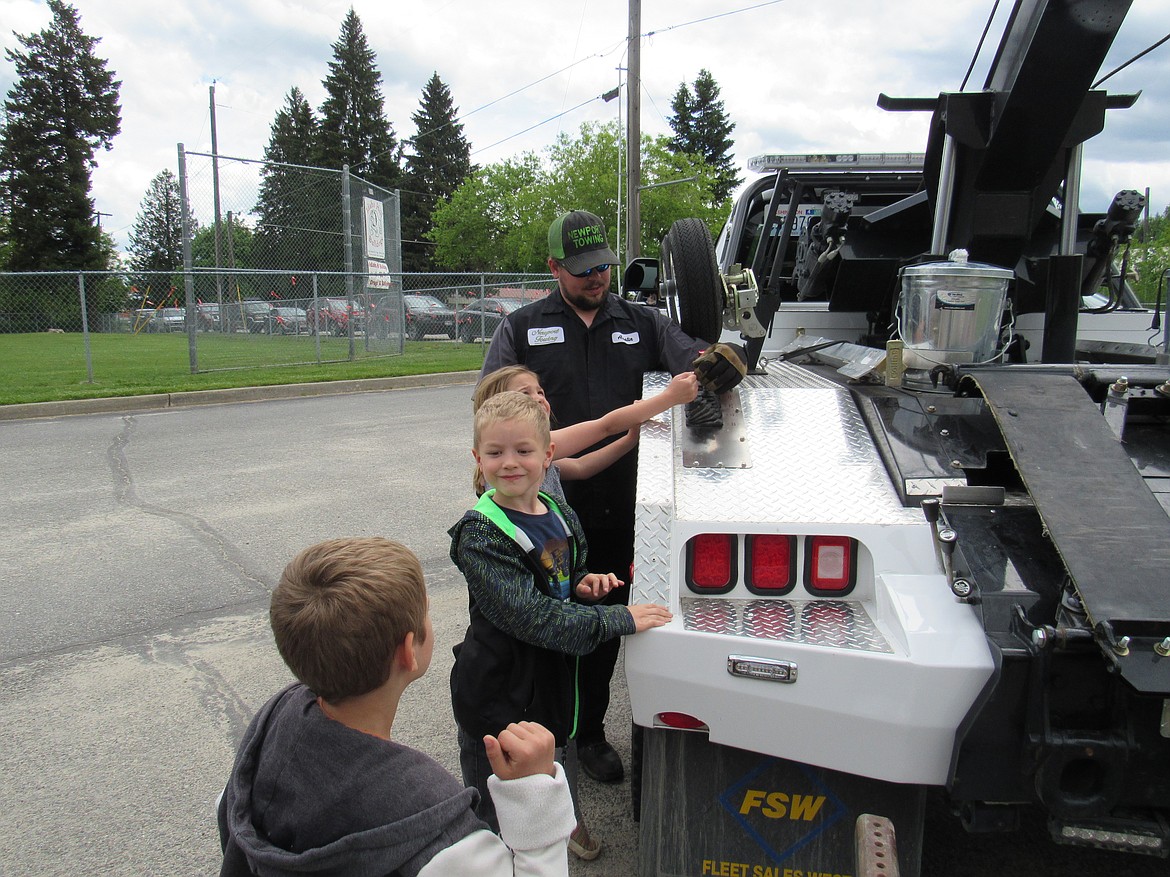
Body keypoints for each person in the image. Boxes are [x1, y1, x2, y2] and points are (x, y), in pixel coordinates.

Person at [479, 209, 745, 783]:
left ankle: (592, 733)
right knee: (536, 635)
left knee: (599, 630)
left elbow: (692, 360)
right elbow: (490, 409)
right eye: (581, 270)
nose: (595, 277)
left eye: (602, 265)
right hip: (539, 515)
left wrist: (716, 363)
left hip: (617, 511)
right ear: (553, 268)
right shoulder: (522, 327)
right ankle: (540, 737)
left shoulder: (642, 321)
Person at [217, 537, 577, 877]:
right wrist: (535, 795)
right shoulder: (436, 833)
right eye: (427, 613)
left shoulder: (271, 724)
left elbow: (229, 811)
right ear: (408, 651)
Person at [449, 391, 673, 859]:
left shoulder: (559, 512)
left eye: (523, 451)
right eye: (495, 452)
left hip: (552, 693)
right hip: (501, 702)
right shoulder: (482, 533)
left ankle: (558, 830)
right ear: (478, 457)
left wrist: (584, 585)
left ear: (548, 453)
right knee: (500, 825)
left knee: (551, 782)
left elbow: (563, 579)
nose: (509, 463)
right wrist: (617, 618)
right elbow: (533, 617)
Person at [470, 364, 699, 498]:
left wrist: (630, 439)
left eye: (540, 392)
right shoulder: (535, 447)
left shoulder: (533, 459)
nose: (538, 399)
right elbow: (605, 427)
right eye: (524, 394)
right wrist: (669, 398)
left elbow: (582, 467)